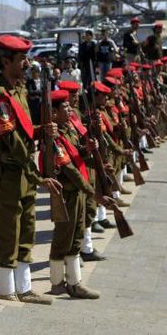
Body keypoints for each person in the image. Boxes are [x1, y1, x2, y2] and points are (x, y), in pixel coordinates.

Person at [0, 34, 62, 305]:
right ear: (6, 61)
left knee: (27, 227)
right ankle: (7, 290)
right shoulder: (0, 96)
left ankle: (24, 288)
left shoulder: (20, 91)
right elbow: (12, 140)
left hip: (23, 171)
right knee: (8, 230)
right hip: (9, 173)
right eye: (22, 58)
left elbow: (24, 133)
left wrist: (42, 130)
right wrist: (36, 174)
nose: (27, 63)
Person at [46, 89, 100, 299]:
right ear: (54, 113)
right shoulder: (54, 138)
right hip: (66, 193)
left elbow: (78, 154)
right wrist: (92, 191)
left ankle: (75, 282)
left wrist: (88, 148)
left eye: (69, 105)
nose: (70, 110)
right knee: (63, 237)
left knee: (76, 236)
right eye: (65, 107)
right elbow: (69, 168)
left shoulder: (69, 130)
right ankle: (57, 282)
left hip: (77, 192)